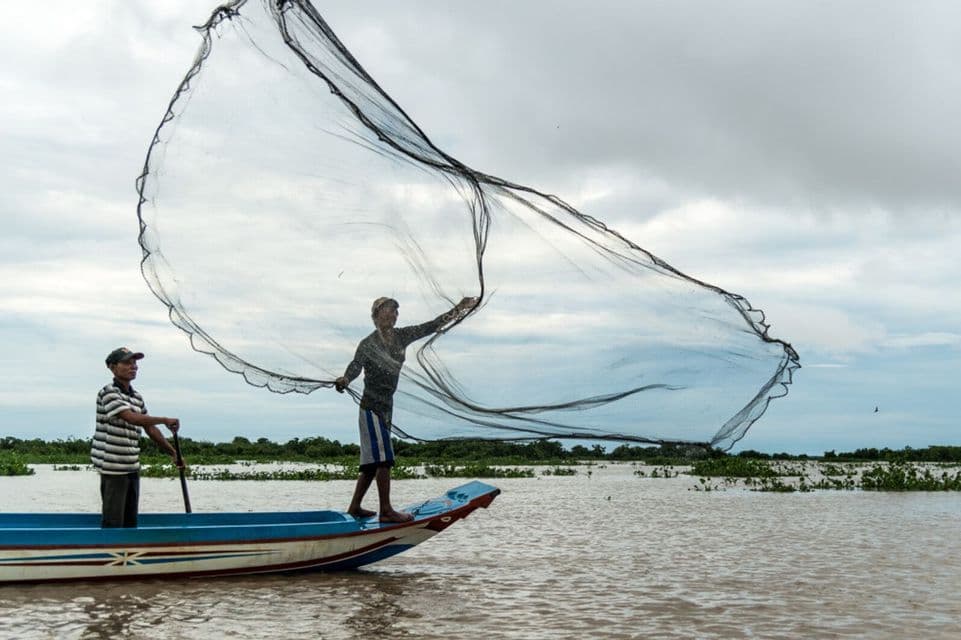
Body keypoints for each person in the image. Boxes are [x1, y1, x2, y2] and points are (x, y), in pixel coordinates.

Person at [335, 295, 476, 523]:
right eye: (388, 310)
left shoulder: (401, 336)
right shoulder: (368, 344)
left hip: (386, 408)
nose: (393, 314)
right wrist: (345, 379)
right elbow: (355, 366)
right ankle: (386, 510)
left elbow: (431, 325)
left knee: (372, 462)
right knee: (383, 460)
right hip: (370, 407)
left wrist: (459, 308)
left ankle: (354, 507)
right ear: (376, 315)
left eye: (395, 311)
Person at [91, 347, 184, 528]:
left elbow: (149, 427)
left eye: (135, 363)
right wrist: (164, 419)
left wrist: (173, 453)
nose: (133, 367)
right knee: (114, 522)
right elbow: (131, 417)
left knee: (130, 521)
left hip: (131, 465)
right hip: (113, 466)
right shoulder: (108, 392)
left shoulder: (137, 397)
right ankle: (112, 553)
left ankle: (128, 550)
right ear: (112, 367)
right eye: (127, 363)